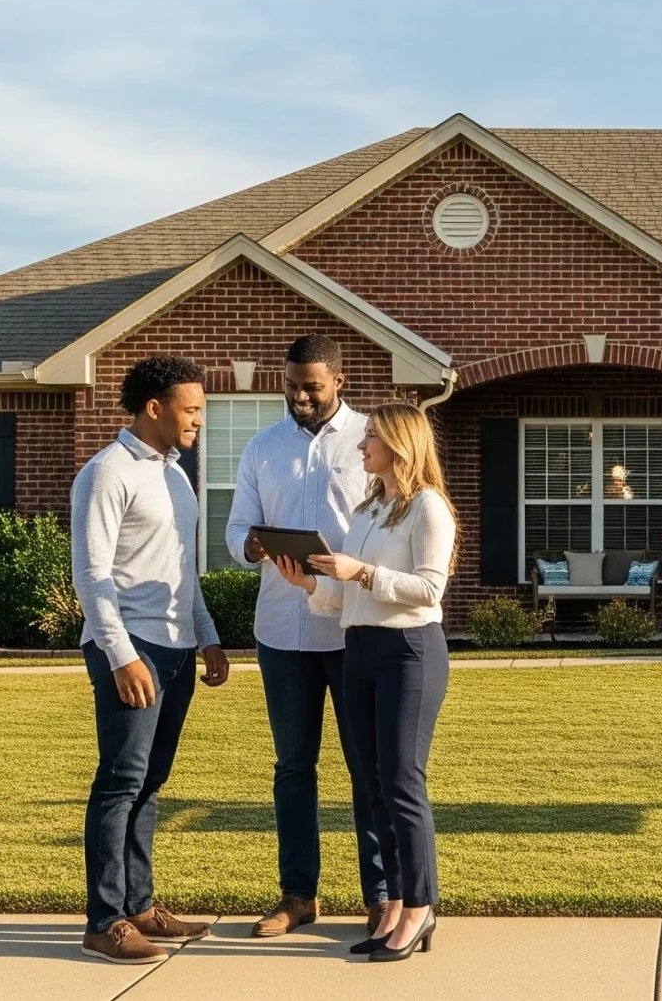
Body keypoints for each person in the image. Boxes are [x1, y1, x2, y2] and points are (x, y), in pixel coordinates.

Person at [270, 401, 454, 962]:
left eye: (370, 436)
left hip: (408, 652)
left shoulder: (429, 509)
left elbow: (429, 591)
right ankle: (395, 901)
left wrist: (362, 571)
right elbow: (346, 598)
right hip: (360, 650)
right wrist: (308, 583)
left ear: (400, 443)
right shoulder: (370, 508)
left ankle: (421, 907)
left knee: (401, 781)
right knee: (372, 784)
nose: (360, 445)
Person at [73, 354, 232, 966]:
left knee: (150, 781)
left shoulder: (176, 475)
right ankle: (104, 920)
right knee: (119, 781)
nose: (199, 420)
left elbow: (182, 570)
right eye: (191, 409)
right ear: (154, 408)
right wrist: (119, 654)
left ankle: (140, 906)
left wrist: (207, 635)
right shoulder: (106, 472)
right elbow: (91, 573)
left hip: (174, 648)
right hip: (129, 647)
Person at [221, 334, 377, 940]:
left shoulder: (371, 440)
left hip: (354, 625)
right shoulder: (263, 446)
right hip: (283, 631)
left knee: (368, 768)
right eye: (291, 386)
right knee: (293, 766)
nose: (299, 397)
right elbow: (237, 527)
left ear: (338, 380)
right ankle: (298, 895)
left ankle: (380, 896)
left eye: (310, 386)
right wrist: (250, 546)